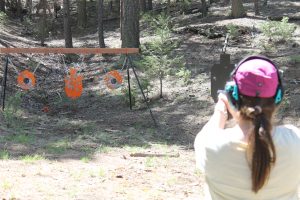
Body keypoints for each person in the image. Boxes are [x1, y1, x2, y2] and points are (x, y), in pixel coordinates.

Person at [194, 55, 300, 200]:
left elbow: (209, 132)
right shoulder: (295, 141)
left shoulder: (211, 145)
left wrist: (221, 110)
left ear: (233, 95)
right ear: (278, 97)